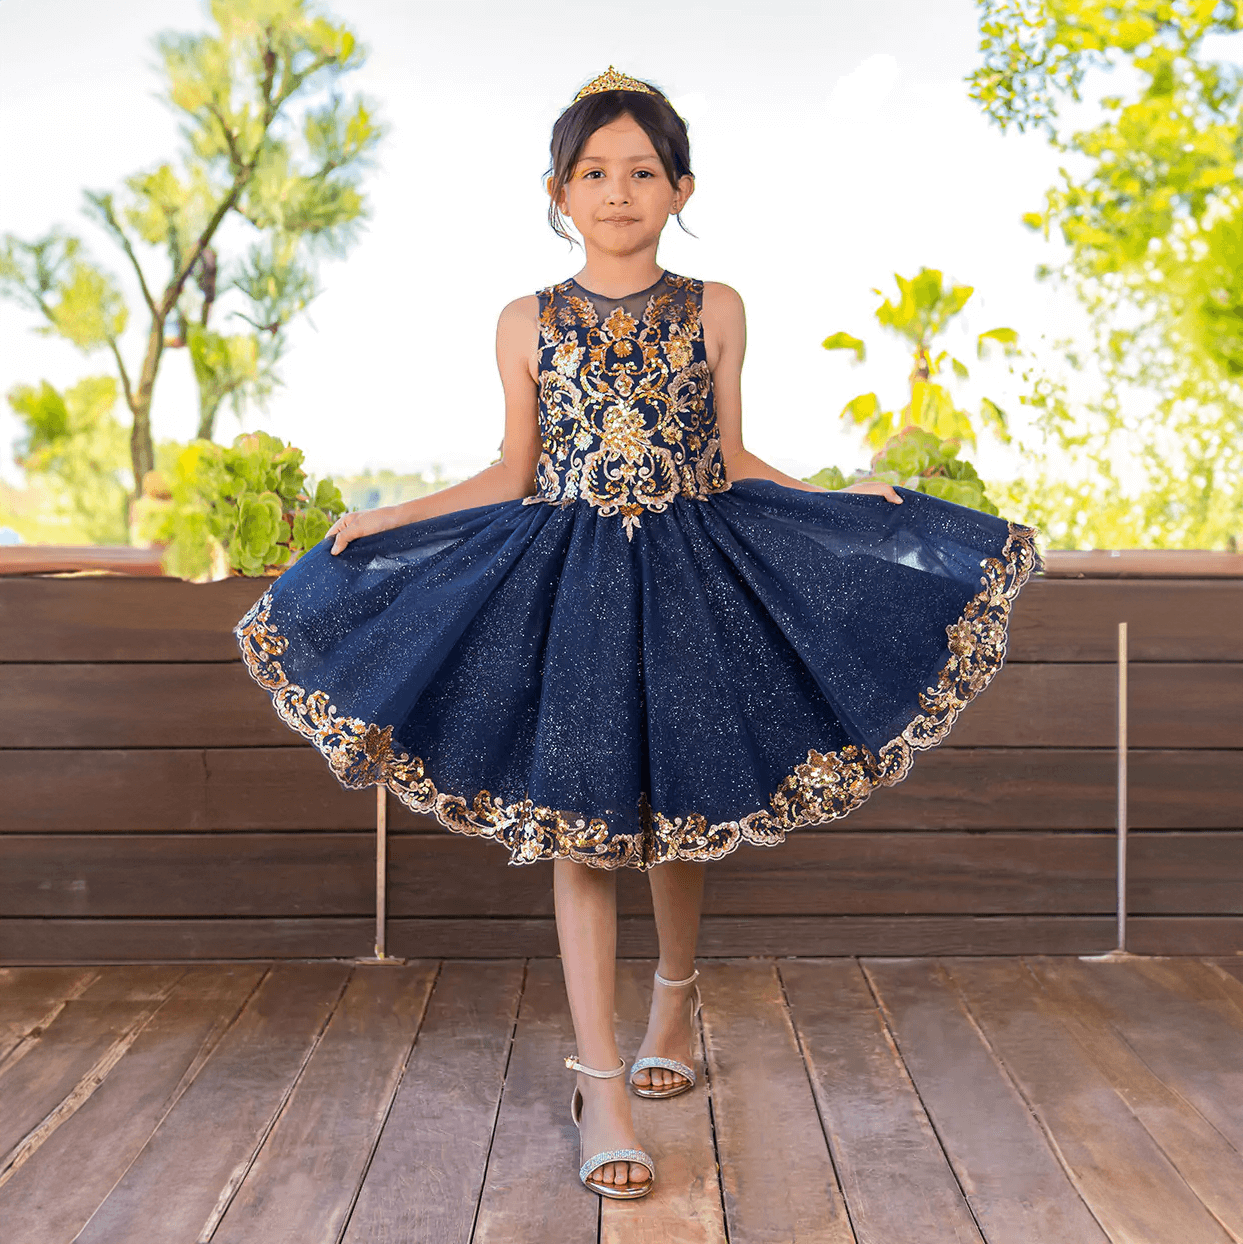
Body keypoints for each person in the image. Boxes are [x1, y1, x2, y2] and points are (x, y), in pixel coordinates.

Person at [235, 66, 1040, 1202]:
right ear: (558, 190)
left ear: (680, 188)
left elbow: (729, 456)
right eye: (594, 173)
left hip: (691, 574)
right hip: (568, 588)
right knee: (580, 823)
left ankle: (672, 997)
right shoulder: (524, 318)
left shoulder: (716, 305)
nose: (618, 192)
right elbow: (513, 472)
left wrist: (833, 499)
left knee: (682, 808)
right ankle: (600, 1081)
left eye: (642, 172)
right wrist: (386, 514)